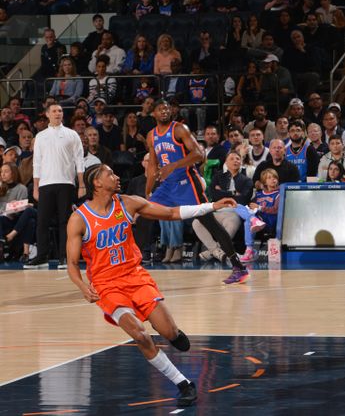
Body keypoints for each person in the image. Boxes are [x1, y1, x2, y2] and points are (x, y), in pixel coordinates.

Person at [66, 163, 238, 407]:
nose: (116, 177)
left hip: (135, 276)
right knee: (139, 333)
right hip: (107, 285)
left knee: (170, 333)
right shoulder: (78, 219)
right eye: (110, 174)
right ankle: (182, 383)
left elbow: (170, 213)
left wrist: (212, 206)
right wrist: (83, 287)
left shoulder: (128, 203)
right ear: (97, 183)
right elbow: (72, 264)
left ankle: (174, 334)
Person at [145, 100, 249, 284]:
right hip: (168, 185)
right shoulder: (151, 135)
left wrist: (173, 166)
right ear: (153, 113)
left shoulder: (179, 129)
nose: (164, 111)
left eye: (167, 108)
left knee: (210, 223)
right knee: (143, 209)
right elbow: (153, 165)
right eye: (160, 109)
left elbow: (199, 155)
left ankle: (237, 265)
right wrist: (148, 191)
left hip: (188, 183)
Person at [26, 104, 85, 268]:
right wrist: (36, 187)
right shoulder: (40, 136)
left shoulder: (72, 134)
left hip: (66, 183)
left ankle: (65, 257)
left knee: (65, 221)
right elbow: (36, 163)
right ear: (47, 114)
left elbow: (79, 160)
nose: (58, 113)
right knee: (42, 221)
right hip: (45, 184)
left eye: (60, 110)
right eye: (54, 111)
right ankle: (42, 256)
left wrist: (81, 184)